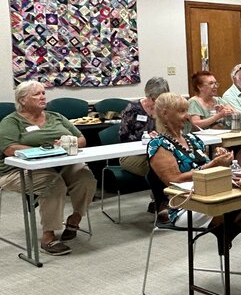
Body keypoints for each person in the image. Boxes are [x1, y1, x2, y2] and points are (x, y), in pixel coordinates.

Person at [148, 93, 241, 295]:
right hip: (185, 206)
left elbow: (207, 169)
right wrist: (211, 166)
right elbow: (173, 179)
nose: (186, 116)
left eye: (186, 110)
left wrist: (220, 159)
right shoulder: (158, 145)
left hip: (214, 196)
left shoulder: (192, 139)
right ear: (164, 115)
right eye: (181, 112)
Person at [0, 81, 96, 255]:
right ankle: (48, 236)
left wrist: (68, 143)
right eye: (37, 94)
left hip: (60, 163)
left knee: (86, 178)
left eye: (43, 93)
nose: (43, 97)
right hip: (18, 170)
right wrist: (48, 150)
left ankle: (74, 220)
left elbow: (81, 139)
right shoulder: (11, 121)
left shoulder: (56, 116)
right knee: (53, 184)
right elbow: (10, 149)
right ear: (22, 100)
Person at [118, 76, 171, 219]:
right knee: (156, 164)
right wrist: (145, 137)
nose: (159, 103)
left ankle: (168, 201)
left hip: (156, 152)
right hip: (131, 155)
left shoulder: (164, 110)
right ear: (149, 96)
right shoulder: (133, 109)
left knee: (169, 161)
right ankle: (162, 204)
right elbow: (122, 137)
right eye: (156, 99)